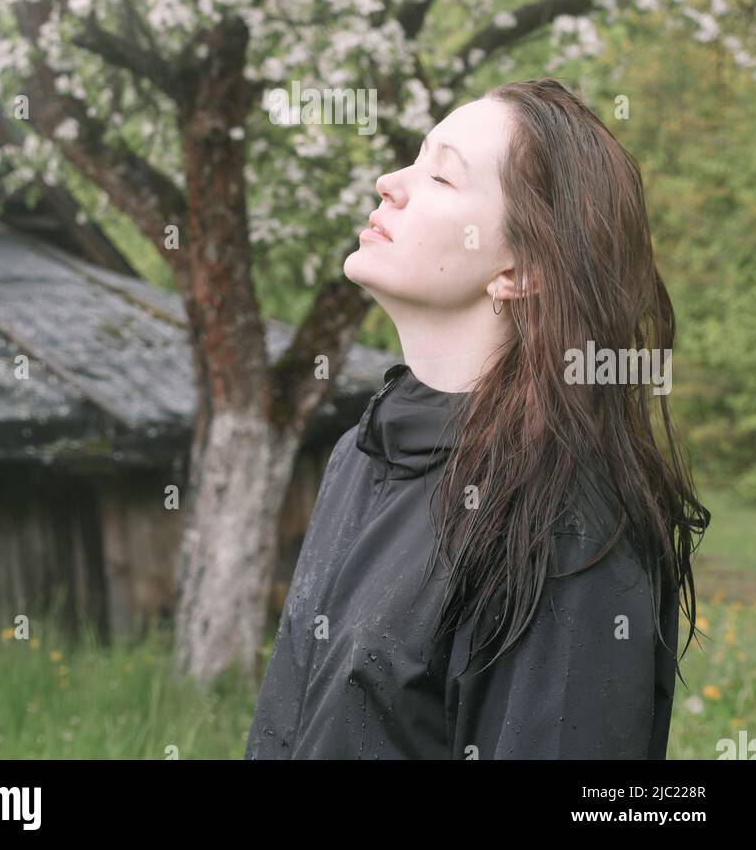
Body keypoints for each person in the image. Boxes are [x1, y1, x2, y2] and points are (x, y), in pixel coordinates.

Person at [244, 78, 709, 760]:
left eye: (441, 175)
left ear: (519, 272)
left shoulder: (569, 524)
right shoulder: (361, 452)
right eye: (414, 157)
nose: (390, 182)